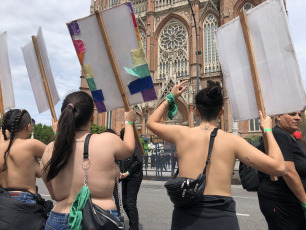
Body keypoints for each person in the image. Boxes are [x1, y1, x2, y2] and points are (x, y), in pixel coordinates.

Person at [147, 80, 286, 230]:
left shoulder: (182, 134)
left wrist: (171, 97)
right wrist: (268, 129)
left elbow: (151, 122)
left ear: (196, 112)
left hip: (185, 218)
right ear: (221, 112)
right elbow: (278, 167)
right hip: (222, 219)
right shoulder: (232, 141)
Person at [41, 91, 136, 230]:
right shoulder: (106, 140)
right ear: (92, 117)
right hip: (99, 219)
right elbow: (129, 148)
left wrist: (57, 133)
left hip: (58, 219)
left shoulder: (49, 149)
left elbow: (54, 194)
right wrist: (128, 122)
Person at [0, 109, 48, 229]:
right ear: (28, 127)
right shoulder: (31, 145)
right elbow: (55, 155)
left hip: (3, 200)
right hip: (24, 200)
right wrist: (57, 132)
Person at [257, 112, 306, 229]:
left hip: (293, 203)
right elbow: (288, 171)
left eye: (299, 115)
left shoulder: (292, 137)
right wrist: (305, 201)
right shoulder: (278, 134)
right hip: (282, 202)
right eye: (293, 114)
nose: (298, 118)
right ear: (278, 117)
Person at [120, 128, 143, 230]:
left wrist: (127, 172)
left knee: (130, 203)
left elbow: (138, 161)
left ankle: (134, 227)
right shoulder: (122, 146)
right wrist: (120, 172)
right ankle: (132, 224)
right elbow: (120, 160)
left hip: (134, 176)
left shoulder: (135, 145)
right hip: (125, 177)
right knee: (125, 203)